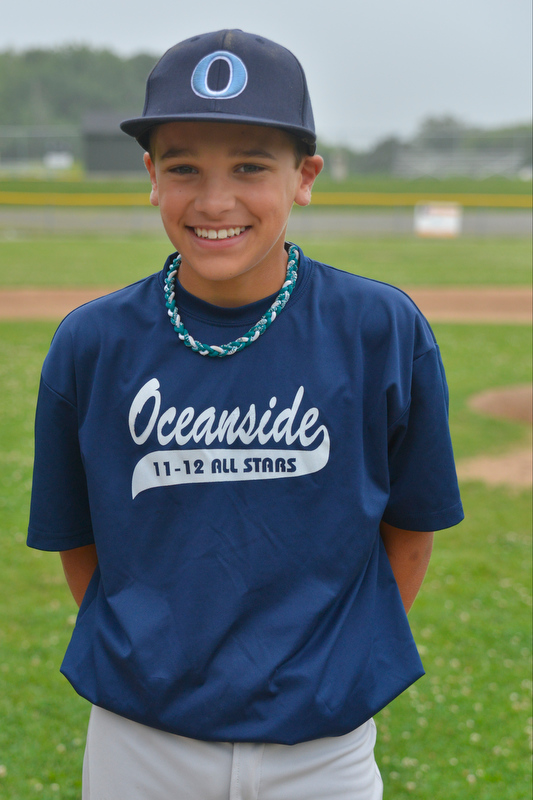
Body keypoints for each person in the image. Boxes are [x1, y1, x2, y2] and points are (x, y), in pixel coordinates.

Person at [27, 29, 463, 800]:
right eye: (184, 166)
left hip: (320, 747)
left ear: (305, 177)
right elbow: (80, 542)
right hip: (142, 739)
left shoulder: (378, 328)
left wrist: (327, 661)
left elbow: (411, 523)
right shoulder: (92, 344)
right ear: (150, 177)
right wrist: (153, 659)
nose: (215, 199)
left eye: (251, 166)